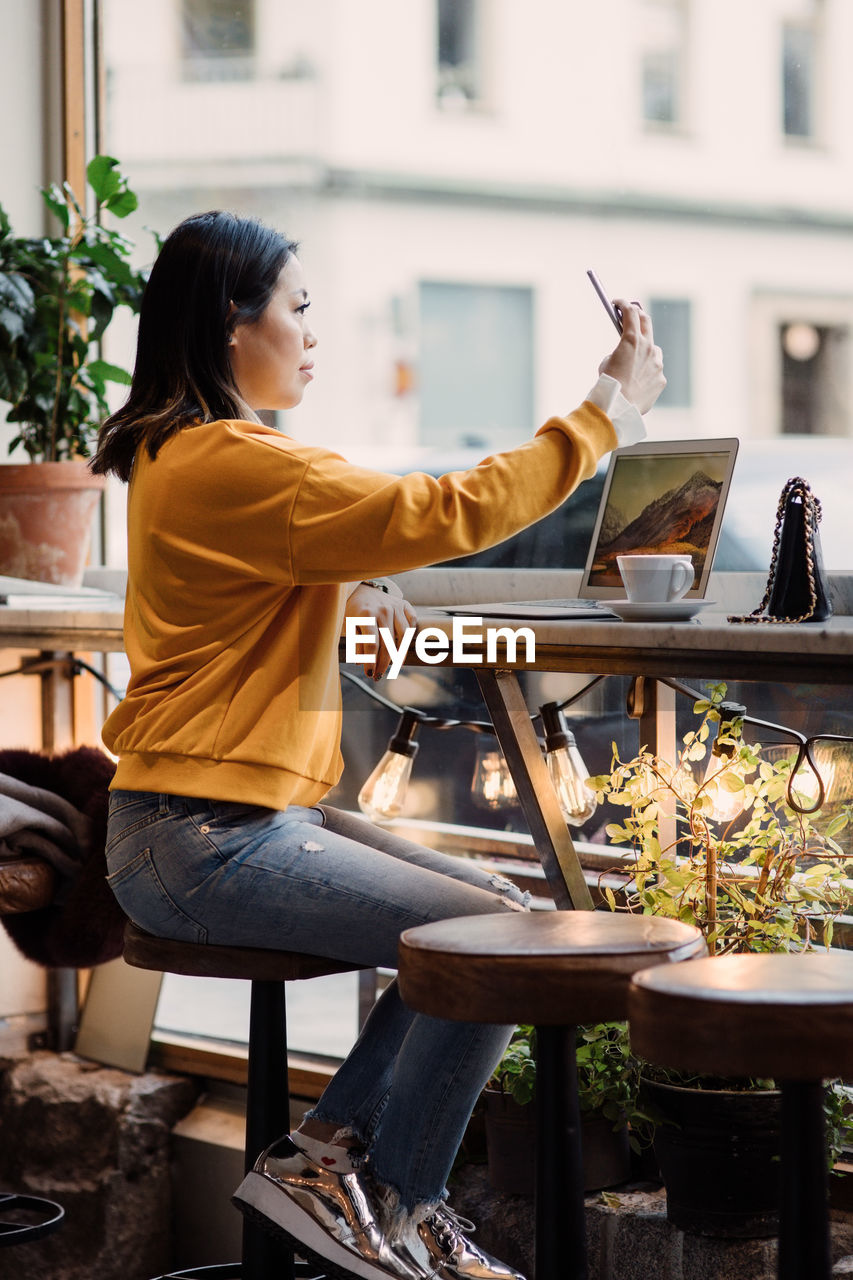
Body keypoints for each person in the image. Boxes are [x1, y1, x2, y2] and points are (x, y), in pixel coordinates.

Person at [91, 210, 664, 1280]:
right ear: (229, 323)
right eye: (297, 309)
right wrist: (603, 412)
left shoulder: (192, 456)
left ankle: (345, 1161)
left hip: (213, 824)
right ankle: (386, 1189)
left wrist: (353, 586)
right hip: (199, 840)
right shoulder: (231, 460)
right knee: (492, 938)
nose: (314, 334)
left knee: (513, 923)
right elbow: (443, 507)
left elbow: (258, 581)